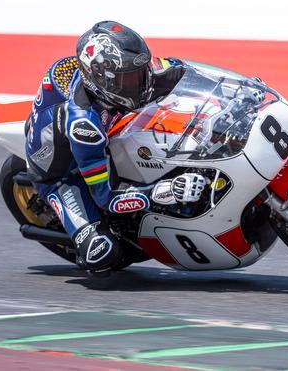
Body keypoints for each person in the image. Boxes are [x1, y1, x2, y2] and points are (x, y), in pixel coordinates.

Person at [24, 21, 207, 274]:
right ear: (102, 80)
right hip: (60, 176)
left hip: (100, 135)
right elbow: (106, 197)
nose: (141, 83)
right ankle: (92, 236)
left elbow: (183, 71)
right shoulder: (84, 127)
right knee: (103, 254)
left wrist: (237, 86)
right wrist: (163, 191)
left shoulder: (124, 77)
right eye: (129, 79)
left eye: (140, 73)